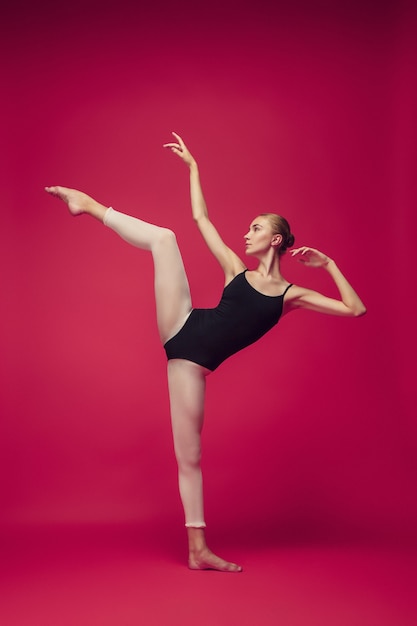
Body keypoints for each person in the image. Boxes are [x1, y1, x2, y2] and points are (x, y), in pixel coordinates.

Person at [45, 132, 366, 573]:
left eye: (256, 228)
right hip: (183, 324)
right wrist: (194, 167)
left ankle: (198, 551)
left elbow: (355, 309)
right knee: (166, 238)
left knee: (190, 457)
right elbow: (201, 218)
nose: (246, 232)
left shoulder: (291, 295)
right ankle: (88, 204)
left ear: (276, 241)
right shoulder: (236, 269)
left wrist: (328, 265)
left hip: (192, 365)